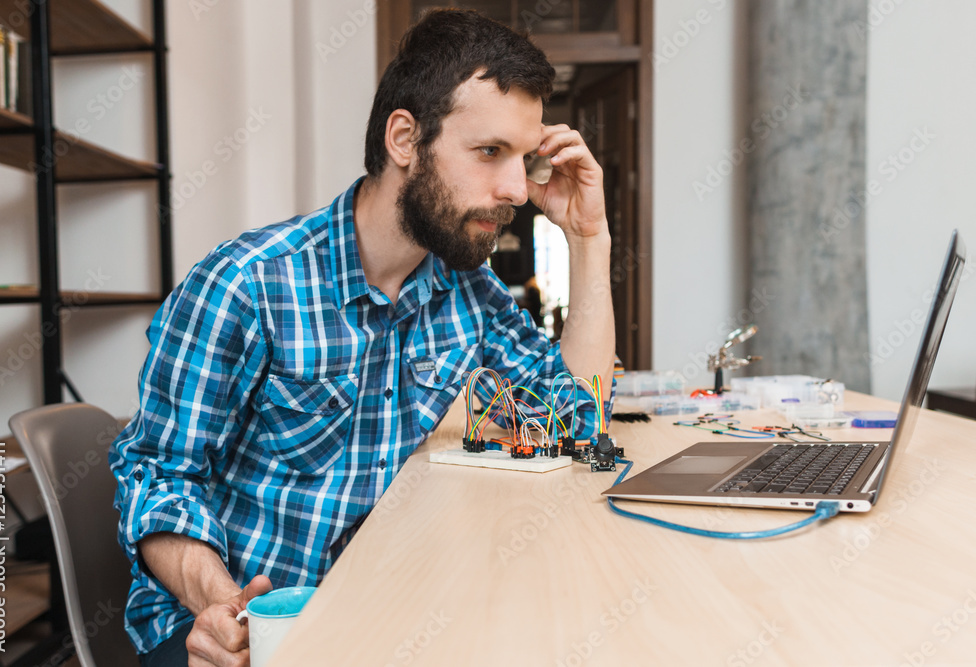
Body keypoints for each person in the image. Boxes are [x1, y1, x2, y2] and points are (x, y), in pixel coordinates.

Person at [109, 9, 615, 666]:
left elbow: (577, 421)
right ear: (403, 138)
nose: (518, 189)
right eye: (490, 152)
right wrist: (220, 603)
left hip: (378, 616)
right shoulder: (247, 284)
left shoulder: (467, 293)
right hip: (238, 632)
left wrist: (588, 239)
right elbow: (156, 472)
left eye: (525, 160)